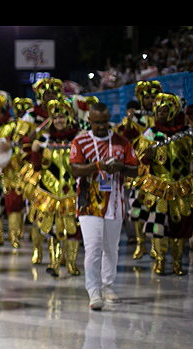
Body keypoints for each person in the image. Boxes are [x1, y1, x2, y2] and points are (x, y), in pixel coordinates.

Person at [70, 103, 139, 310]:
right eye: (97, 122)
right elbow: (75, 170)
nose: (101, 126)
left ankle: (108, 285)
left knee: (111, 248)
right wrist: (98, 166)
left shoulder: (121, 141)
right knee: (93, 248)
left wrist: (122, 168)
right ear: (89, 121)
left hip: (115, 203)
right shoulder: (80, 141)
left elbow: (135, 170)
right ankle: (93, 291)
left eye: (104, 122)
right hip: (88, 203)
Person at [133, 92, 193, 275]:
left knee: (181, 224)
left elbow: (192, 155)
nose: (161, 113)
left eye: (165, 110)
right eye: (158, 110)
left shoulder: (185, 133)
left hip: (182, 186)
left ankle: (177, 262)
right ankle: (160, 260)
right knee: (157, 225)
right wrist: (147, 157)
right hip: (158, 187)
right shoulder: (150, 133)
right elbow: (139, 161)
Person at [28, 99, 82, 278]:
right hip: (49, 192)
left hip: (73, 192)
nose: (58, 120)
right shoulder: (44, 138)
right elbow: (37, 167)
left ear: (69, 118)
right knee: (52, 229)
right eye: (56, 117)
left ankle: (72, 264)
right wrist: (35, 151)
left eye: (62, 117)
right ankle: (55, 264)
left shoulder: (79, 137)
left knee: (73, 229)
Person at [117, 81, 162, 261]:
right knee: (136, 210)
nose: (150, 100)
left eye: (153, 97)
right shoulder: (134, 119)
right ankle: (140, 243)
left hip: (159, 170)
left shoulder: (164, 117)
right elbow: (125, 139)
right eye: (147, 97)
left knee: (158, 210)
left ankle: (155, 247)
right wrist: (129, 122)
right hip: (139, 170)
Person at [22, 78, 65, 265]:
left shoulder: (65, 113)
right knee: (36, 213)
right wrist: (32, 137)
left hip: (61, 170)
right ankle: (37, 249)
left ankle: (60, 254)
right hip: (37, 169)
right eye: (47, 93)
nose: (51, 96)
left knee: (62, 213)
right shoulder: (31, 115)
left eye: (54, 93)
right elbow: (21, 141)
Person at [0, 90, 25, 249]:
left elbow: (24, 144)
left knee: (14, 203)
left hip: (11, 171)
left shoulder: (14, 124)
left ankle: (14, 236)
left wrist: (12, 145)